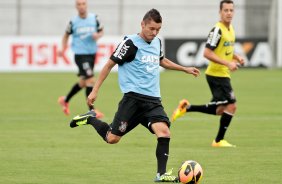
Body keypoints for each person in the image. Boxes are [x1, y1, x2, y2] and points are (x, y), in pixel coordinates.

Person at [69, 8, 200, 182]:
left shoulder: (157, 42)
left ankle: (161, 175)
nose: (154, 33)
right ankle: (90, 118)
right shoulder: (130, 43)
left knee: (164, 132)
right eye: (151, 29)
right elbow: (109, 65)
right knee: (112, 138)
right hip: (132, 100)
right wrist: (94, 90)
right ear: (143, 24)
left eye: (158, 30)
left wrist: (184, 69)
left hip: (153, 100)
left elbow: (161, 60)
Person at [172, 0, 244, 148]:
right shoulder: (217, 30)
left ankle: (187, 108)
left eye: (231, 10)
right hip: (217, 75)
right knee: (232, 106)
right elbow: (207, 53)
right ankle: (218, 141)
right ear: (220, 12)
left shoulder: (230, 29)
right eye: (226, 10)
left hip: (222, 74)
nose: (229, 13)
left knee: (220, 110)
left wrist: (236, 57)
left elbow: (225, 50)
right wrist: (228, 63)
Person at [58, 0, 104, 118]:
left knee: (84, 82)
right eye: (79, 4)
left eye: (83, 3)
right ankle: (91, 110)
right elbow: (66, 35)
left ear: (86, 5)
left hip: (92, 54)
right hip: (80, 55)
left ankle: (65, 100)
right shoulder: (73, 22)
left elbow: (101, 31)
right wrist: (63, 49)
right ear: (76, 6)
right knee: (90, 80)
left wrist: (97, 35)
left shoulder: (94, 18)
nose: (81, 6)